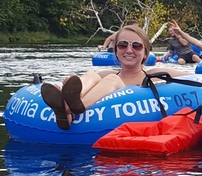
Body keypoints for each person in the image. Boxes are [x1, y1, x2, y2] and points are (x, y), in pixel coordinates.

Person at [41, 23, 190, 130]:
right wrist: (68, 83)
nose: (129, 50)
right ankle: (67, 104)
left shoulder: (154, 74)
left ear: (145, 52)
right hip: (101, 104)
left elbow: (195, 78)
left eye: (136, 46)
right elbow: (87, 80)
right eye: (123, 45)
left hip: (132, 108)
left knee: (112, 79)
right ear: (116, 50)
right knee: (92, 75)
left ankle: (72, 109)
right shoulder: (107, 74)